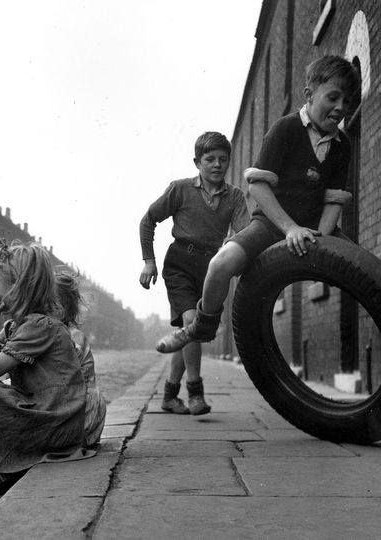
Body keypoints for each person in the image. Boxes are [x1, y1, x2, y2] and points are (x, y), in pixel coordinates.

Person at [156, 55, 360, 354]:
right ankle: (202, 323)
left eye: (347, 100)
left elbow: (333, 199)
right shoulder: (286, 129)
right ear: (309, 94)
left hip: (315, 229)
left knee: (370, 276)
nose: (341, 107)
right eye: (333, 97)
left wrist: (321, 238)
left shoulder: (343, 145)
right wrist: (289, 228)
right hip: (271, 225)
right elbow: (258, 186)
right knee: (220, 264)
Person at [0, 240, 91, 494]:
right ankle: (5, 467)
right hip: (46, 419)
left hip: (57, 425)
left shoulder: (41, 326)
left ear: (17, 289)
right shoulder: (17, 326)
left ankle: (6, 472)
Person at [139, 132, 248, 415]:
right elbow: (148, 220)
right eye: (209, 159)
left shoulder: (235, 196)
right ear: (197, 162)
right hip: (179, 264)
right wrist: (148, 261)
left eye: (223, 159)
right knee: (192, 323)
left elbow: (246, 232)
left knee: (186, 332)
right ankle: (195, 392)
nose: (217, 165)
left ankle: (169, 396)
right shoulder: (180, 189)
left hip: (212, 269)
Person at [55, 270, 106, 446]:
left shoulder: (69, 336)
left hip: (80, 421)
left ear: (62, 309)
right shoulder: (72, 334)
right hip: (86, 419)